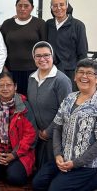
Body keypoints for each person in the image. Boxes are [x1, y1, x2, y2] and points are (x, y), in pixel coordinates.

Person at [32, 58, 97, 191]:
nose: (84, 76)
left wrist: (76, 163)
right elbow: (57, 127)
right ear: (75, 76)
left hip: (86, 165)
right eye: (80, 72)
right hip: (63, 160)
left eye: (89, 73)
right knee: (37, 185)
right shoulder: (69, 98)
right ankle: (64, 180)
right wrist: (57, 155)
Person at [0, 72, 37, 186]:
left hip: (18, 153)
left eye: (9, 85)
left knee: (16, 179)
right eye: (1, 85)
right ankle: (2, 166)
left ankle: (8, 168)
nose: (5, 88)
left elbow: (31, 136)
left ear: (15, 87)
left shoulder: (24, 106)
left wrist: (14, 154)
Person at [27, 41, 72, 169]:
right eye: (38, 56)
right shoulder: (31, 78)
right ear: (34, 58)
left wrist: (49, 131)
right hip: (38, 135)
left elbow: (65, 111)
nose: (42, 59)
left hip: (55, 137)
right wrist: (37, 131)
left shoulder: (61, 80)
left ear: (52, 56)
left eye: (46, 55)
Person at [0, 0, 46, 96]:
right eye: (19, 5)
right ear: (15, 7)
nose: (22, 9)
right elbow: (0, 48)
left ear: (32, 8)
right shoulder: (7, 24)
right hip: (11, 71)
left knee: (32, 100)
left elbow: (45, 48)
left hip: (35, 71)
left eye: (26, 6)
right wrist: (3, 68)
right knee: (14, 102)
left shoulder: (40, 23)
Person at [46, 0, 88, 87]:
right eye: (55, 6)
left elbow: (82, 53)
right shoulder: (48, 24)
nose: (59, 8)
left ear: (67, 6)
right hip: (51, 71)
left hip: (71, 73)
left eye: (61, 4)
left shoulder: (78, 25)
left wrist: (80, 74)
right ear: (51, 8)